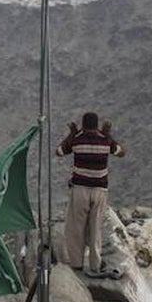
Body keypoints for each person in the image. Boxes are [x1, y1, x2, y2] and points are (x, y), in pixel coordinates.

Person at [58, 112, 125, 278]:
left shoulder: (77, 140)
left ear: (83, 125)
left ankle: (77, 264)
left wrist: (72, 134)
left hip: (80, 188)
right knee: (96, 228)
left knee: (76, 227)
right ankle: (95, 265)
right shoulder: (105, 140)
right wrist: (107, 134)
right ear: (97, 125)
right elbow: (121, 152)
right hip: (100, 190)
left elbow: (60, 151)